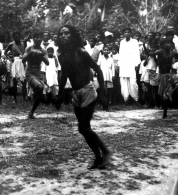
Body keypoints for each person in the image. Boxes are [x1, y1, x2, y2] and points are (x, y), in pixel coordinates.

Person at [55, 25, 112, 169]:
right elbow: (64, 75)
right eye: (61, 34)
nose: (63, 36)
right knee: (83, 128)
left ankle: (105, 152)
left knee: (84, 127)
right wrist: (60, 94)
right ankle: (100, 157)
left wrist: (103, 93)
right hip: (76, 94)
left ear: (73, 36)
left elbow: (98, 70)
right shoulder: (61, 55)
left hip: (88, 91)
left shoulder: (81, 53)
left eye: (67, 33)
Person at [22, 31, 49, 119]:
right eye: (36, 37)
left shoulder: (43, 50)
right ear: (33, 39)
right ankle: (31, 110)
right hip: (29, 71)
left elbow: (47, 62)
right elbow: (23, 60)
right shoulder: (28, 48)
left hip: (38, 72)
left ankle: (31, 112)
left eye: (39, 37)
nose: (38, 39)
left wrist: (42, 56)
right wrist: (31, 53)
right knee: (40, 87)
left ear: (42, 39)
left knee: (40, 93)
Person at [118, 27, 141, 106]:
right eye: (125, 32)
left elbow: (137, 53)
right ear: (123, 34)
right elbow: (120, 54)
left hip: (131, 65)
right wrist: (119, 65)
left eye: (128, 32)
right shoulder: (122, 42)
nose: (126, 34)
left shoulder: (134, 42)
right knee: (124, 83)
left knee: (133, 83)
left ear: (131, 33)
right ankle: (126, 100)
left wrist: (136, 64)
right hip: (123, 65)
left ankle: (135, 99)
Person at [4, 32, 27, 103]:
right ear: (13, 38)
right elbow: (5, 52)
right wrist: (10, 58)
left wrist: (24, 58)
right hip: (14, 62)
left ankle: (24, 98)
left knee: (24, 80)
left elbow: (26, 52)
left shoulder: (23, 44)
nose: (17, 38)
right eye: (16, 37)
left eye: (18, 37)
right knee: (14, 81)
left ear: (20, 37)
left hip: (22, 62)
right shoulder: (11, 44)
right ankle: (15, 98)